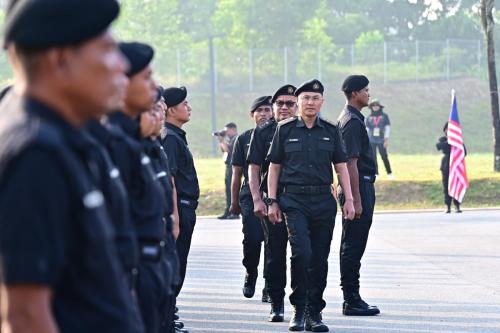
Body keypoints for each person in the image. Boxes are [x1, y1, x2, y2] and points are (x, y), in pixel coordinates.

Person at [0, 0, 142, 332]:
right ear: (60, 59)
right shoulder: (35, 153)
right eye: (107, 50)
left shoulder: (64, 139)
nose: (121, 65)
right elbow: (25, 315)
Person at [267, 79, 355, 332]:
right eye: (305, 98)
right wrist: (272, 200)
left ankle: (314, 312)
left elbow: (341, 167)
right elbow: (274, 167)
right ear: (298, 102)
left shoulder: (331, 129)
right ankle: (299, 308)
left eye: (315, 99)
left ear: (322, 102)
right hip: (293, 200)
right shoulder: (284, 129)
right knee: (301, 253)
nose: (310, 103)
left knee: (319, 257)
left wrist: (348, 198)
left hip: (323, 201)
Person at [106, 41, 171, 333]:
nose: (154, 85)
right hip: (128, 278)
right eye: (145, 77)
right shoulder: (113, 144)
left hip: (150, 269)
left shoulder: (136, 143)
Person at [247, 84, 298, 322]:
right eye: (280, 103)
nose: (285, 108)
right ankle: (277, 304)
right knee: (275, 253)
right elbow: (254, 167)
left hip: (300, 199)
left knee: (302, 255)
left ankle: (302, 304)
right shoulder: (264, 131)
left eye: (290, 103)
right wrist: (258, 199)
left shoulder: (305, 128)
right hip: (272, 201)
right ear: (274, 107)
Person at [337, 75, 381, 316]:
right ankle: (351, 298)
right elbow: (350, 163)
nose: (368, 94)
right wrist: (355, 199)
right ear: (354, 93)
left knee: (354, 243)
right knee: (353, 244)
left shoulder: (352, 118)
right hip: (357, 186)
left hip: (359, 186)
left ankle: (352, 296)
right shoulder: (351, 122)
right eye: (365, 90)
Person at [162, 86, 199, 332]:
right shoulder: (170, 138)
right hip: (180, 208)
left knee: (178, 265)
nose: (189, 107)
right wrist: (175, 217)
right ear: (171, 109)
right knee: (174, 266)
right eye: (184, 103)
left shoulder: (176, 135)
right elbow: (170, 180)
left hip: (185, 208)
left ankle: (168, 315)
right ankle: (165, 320)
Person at [230, 96, 273, 301]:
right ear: (252, 115)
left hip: (273, 194)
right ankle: (250, 272)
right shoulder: (244, 138)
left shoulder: (278, 134)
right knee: (253, 239)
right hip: (250, 194)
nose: (264, 114)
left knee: (273, 242)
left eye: (267, 109)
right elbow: (237, 174)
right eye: (259, 110)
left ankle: (269, 283)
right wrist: (234, 202)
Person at [436, 123, 463, 213]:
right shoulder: (443, 139)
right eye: (448, 129)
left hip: (456, 166)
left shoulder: (458, 141)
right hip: (446, 165)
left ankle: (457, 205)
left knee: (456, 185)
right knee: (446, 186)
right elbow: (439, 146)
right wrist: (450, 141)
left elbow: (464, 152)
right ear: (445, 131)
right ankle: (448, 206)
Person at [365, 99, 393, 179]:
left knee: (384, 156)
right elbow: (367, 129)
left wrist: (386, 139)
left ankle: (389, 173)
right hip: (372, 140)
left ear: (380, 107)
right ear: (371, 107)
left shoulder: (384, 116)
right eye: (373, 105)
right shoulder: (369, 117)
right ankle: (376, 173)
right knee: (373, 157)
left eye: (377, 105)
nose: (375, 107)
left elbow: (387, 128)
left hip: (382, 140)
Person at [217, 122, 239, 219]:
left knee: (232, 189)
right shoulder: (230, 140)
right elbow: (223, 150)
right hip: (228, 166)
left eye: (227, 130)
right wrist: (221, 141)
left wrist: (222, 141)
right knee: (228, 189)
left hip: (233, 167)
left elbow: (228, 150)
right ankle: (228, 210)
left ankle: (234, 211)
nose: (226, 132)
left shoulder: (236, 139)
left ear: (233, 129)